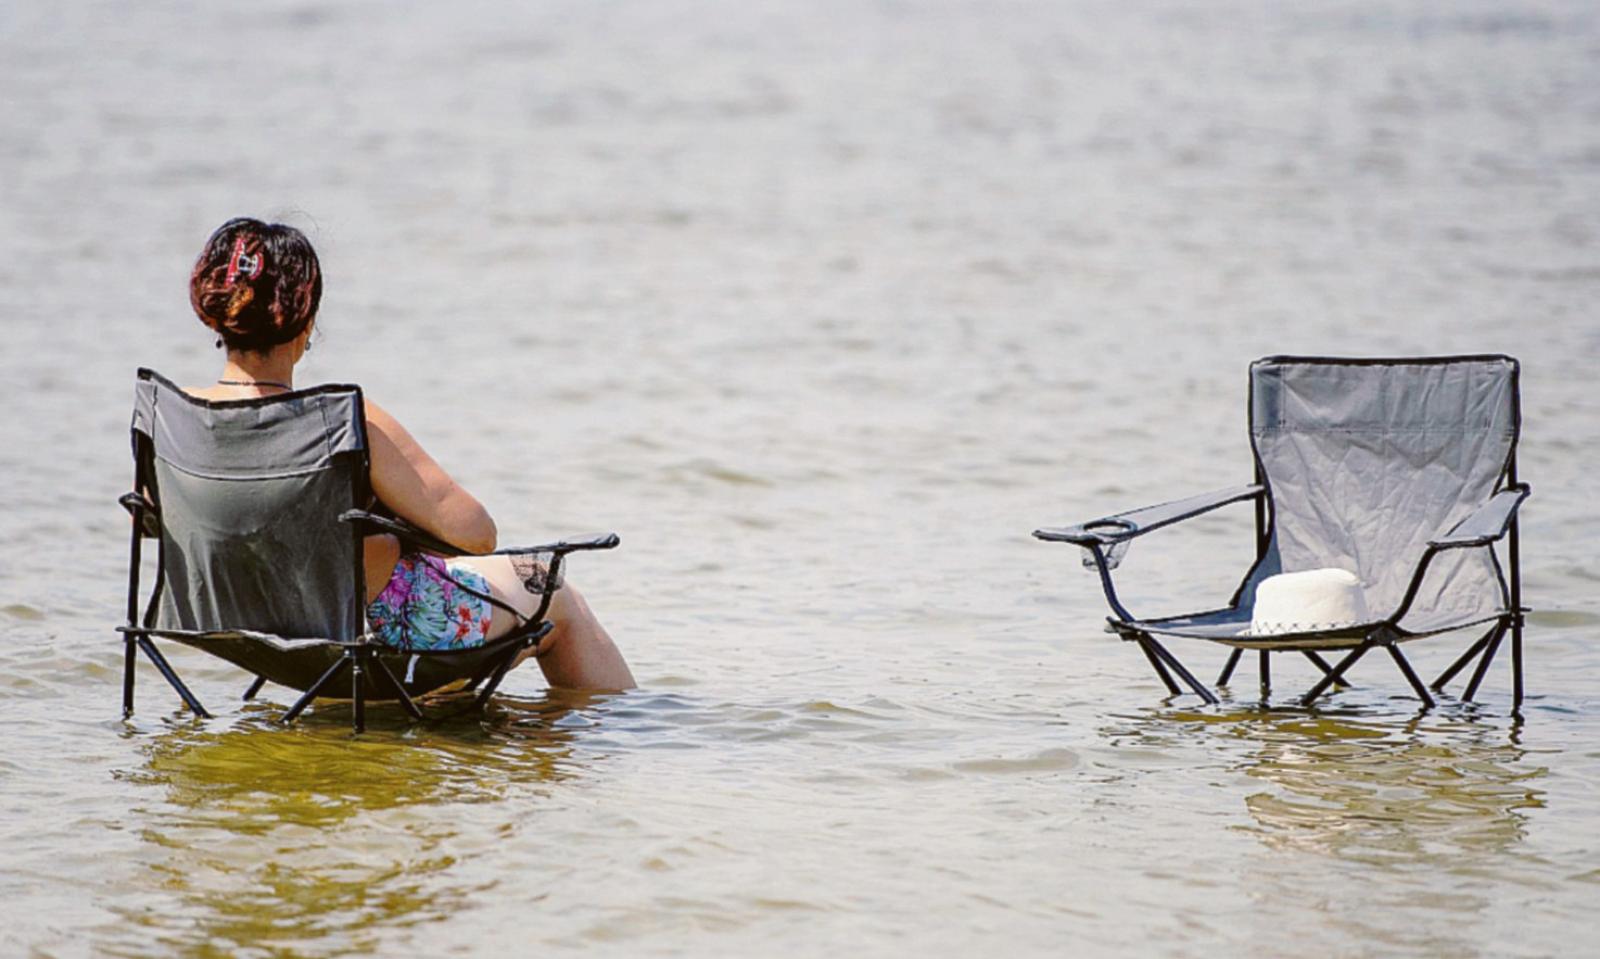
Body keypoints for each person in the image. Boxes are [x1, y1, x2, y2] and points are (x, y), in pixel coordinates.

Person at [183, 217, 635, 691]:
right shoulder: (343, 422)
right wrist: (397, 529)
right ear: (306, 318)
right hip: (369, 636)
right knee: (551, 589)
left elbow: (156, 522)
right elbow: (477, 534)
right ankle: (630, 739)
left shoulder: (178, 418)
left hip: (247, 630)